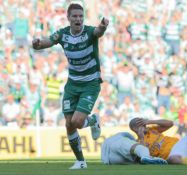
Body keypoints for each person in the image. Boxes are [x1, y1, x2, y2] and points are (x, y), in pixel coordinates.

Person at [32, 3, 109, 169]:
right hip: (72, 84)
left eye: (81, 16)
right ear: (68, 18)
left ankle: (92, 121)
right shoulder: (63, 34)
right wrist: (38, 44)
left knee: (76, 121)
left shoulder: (89, 32)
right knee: (69, 124)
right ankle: (81, 161)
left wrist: (103, 27)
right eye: (74, 16)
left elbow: (98, 32)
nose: (78, 19)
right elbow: (47, 42)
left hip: (90, 83)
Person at [101, 132, 168, 165]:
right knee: (139, 148)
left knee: (138, 156)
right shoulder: (127, 139)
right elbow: (137, 146)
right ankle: (146, 157)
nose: (148, 144)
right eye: (147, 143)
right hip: (114, 143)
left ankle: (146, 157)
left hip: (109, 160)